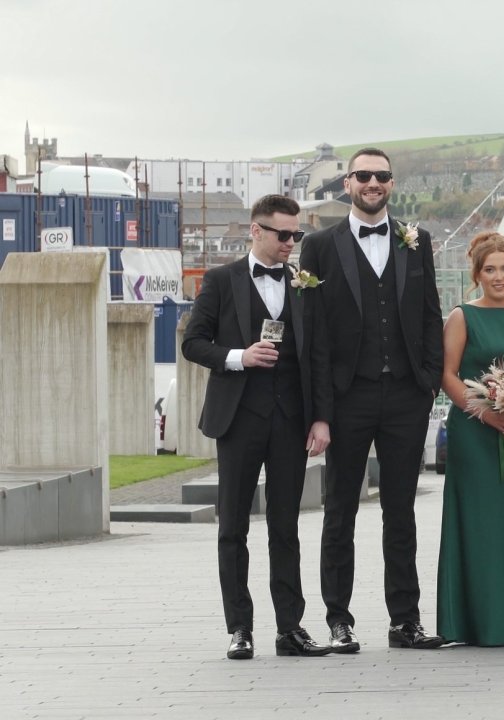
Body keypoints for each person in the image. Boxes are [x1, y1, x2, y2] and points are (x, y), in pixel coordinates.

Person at [298, 147, 446, 652]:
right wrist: (320, 409)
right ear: (347, 183)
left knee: (401, 512)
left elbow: (431, 314)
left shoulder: (416, 240)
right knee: (340, 510)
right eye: (363, 175)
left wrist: (427, 382)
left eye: (381, 176)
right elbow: (312, 330)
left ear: (391, 183)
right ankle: (339, 620)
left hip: (406, 395)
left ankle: (406, 620)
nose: (373, 183)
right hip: (347, 397)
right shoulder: (319, 245)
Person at [181, 194, 332, 660]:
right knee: (233, 526)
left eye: (296, 235)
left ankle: (290, 628)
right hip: (239, 418)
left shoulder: (305, 284)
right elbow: (192, 343)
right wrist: (238, 357)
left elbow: (320, 355)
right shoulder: (221, 280)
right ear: (256, 231)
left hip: (290, 420)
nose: (291, 243)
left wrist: (322, 418)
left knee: (286, 527)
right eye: (283, 234)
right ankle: (239, 628)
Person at [435, 232, 504, 646]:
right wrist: (486, 413)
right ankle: (476, 623)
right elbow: (447, 374)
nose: (498, 276)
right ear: (477, 274)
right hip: (474, 434)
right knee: (479, 523)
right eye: (490, 269)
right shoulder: (462, 315)